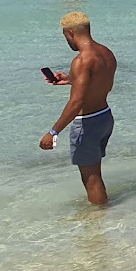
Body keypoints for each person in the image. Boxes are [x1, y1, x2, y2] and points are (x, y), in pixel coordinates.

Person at [40, 12, 117, 205]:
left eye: (65, 36)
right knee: (95, 173)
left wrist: (53, 132)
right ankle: (104, 216)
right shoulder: (106, 52)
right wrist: (70, 80)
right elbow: (100, 83)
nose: (67, 40)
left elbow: (76, 103)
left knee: (91, 179)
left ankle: (97, 226)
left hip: (87, 123)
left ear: (70, 33)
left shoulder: (82, 60)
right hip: (105, 117)